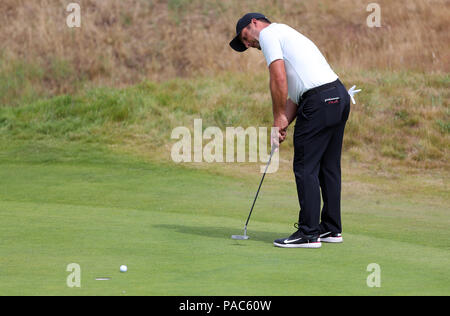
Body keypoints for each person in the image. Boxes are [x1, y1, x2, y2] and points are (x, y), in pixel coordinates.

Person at [230, 13, 358, 248]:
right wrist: (283, 122)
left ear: (255, 23)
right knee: (328, 167)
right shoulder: (286, 33)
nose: (248, 45)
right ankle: (330, 229)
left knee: (305, 166)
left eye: (245, 37)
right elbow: (298, 93)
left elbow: (278, 79)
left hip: (319, 100)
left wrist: (277, 116)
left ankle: (308, 233)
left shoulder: (268, 34)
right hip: (338, 96)